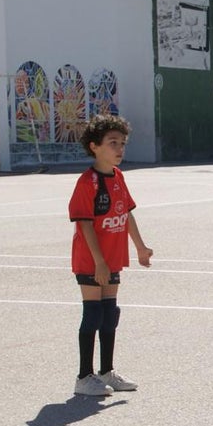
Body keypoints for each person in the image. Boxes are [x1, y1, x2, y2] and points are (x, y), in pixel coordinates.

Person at [67, 115, 153, 396]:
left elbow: (125, 213)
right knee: (92, 313)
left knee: (109, 313)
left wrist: (140, 247)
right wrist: (99, 262)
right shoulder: (87, 182)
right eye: (112, 143)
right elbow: (85, 223)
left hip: (114, 256)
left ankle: (106, 372)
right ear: (95, 147)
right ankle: (83, 377)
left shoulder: (118, 178)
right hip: (91, 259)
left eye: (122, 143)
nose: (119, 148)